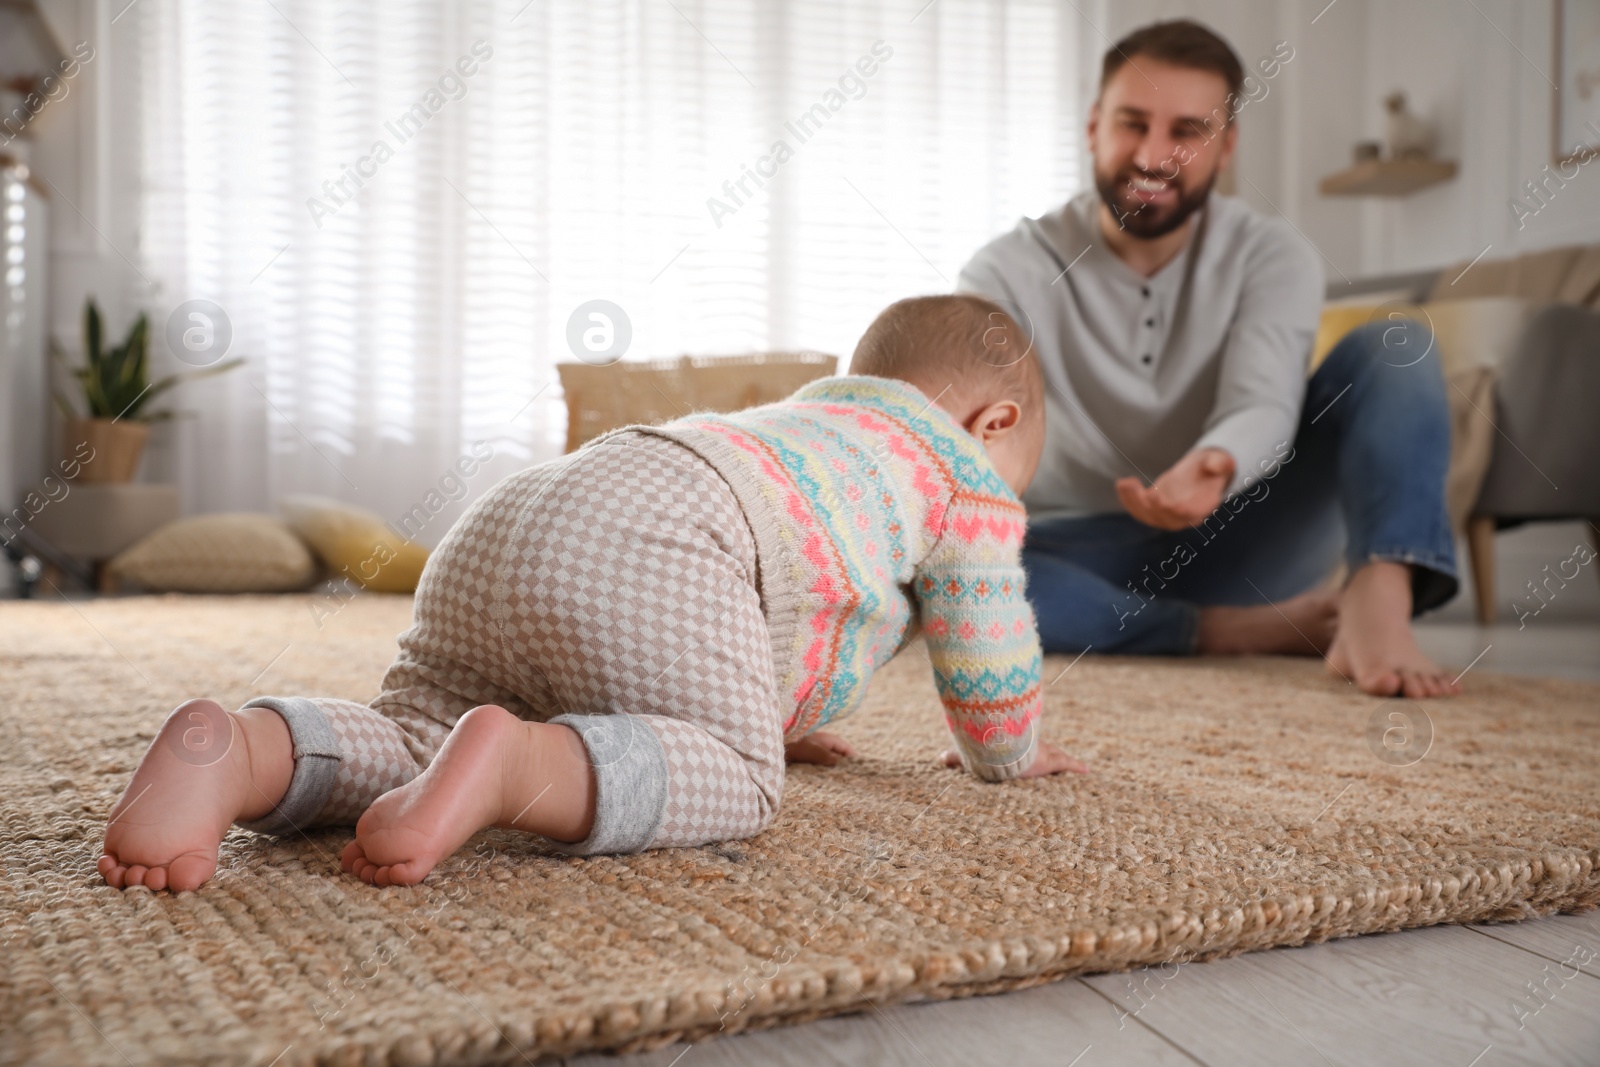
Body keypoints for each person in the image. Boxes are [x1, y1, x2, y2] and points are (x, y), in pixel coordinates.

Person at [98, 294, 1084, 894]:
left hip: (518, 515)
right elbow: (982, 640)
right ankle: (517, 761)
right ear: (992, 420)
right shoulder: (963, 475)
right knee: (739, 776)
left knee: (411, 736)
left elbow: (784, 595)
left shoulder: (805, 424)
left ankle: (245, 750)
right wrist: (1010, 750)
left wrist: (770, 707)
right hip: (672, 538)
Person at [958, 19, 1460, 699]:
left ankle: (1378, 597)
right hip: (1065, 549)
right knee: (948, 571)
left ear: (1225, 146)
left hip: (1234, 532)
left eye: (1186, 132)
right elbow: (969, 446)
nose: (1153, 155)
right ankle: (1229, 630)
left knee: (1395, 348)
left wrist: (1216, 463)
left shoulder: (1272, 255)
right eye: (1133, 124)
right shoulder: (1004, 271)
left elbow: (1263, 401)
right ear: (1093, 126)